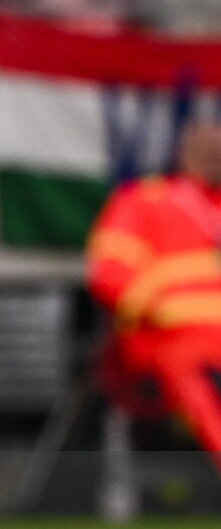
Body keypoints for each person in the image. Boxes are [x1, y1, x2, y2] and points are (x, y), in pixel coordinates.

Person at [86, 118, 221, 474]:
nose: (214, 157)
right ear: (181, 152)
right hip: (165, 338)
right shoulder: (146, 199)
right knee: (191, 381)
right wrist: (155, 303)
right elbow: (106, 273)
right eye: (205, 149)